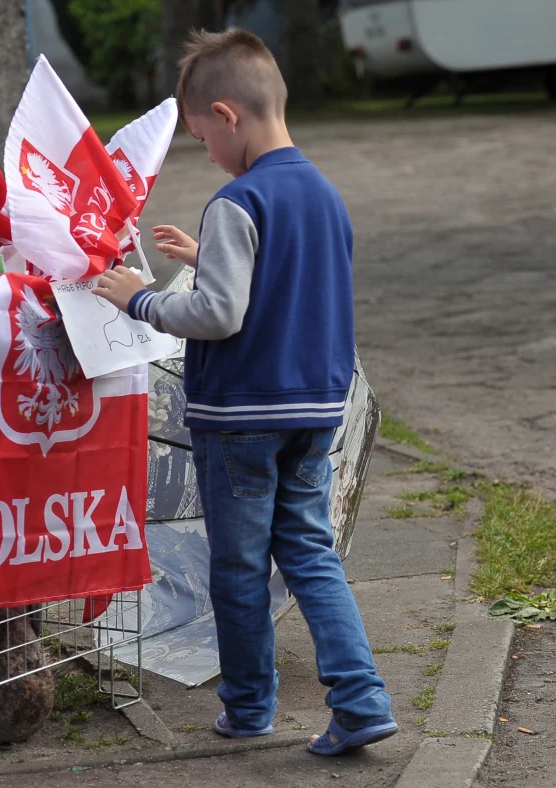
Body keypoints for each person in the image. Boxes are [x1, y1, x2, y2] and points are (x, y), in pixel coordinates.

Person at [93, 28, 396, 756]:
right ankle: (361, 698)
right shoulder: (324, 195)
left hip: (241, 419)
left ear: (226, 116)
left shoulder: (239, 200)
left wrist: (138, 299)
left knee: (237, 567)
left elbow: (218, 314)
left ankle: (250, 706)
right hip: (314, 409)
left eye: (202, 139)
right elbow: (288, 284)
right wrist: (211, 258)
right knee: (310, 552)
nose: (208, 154)